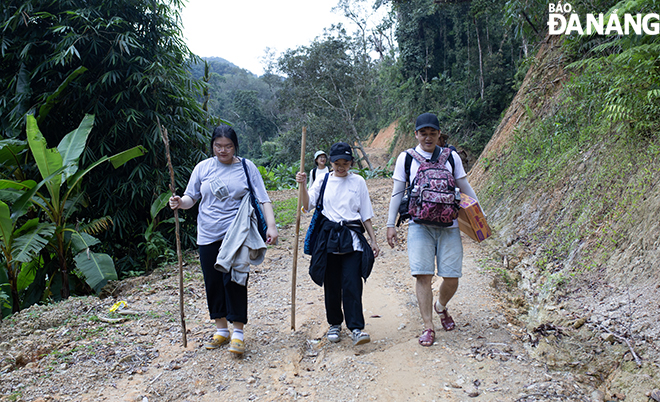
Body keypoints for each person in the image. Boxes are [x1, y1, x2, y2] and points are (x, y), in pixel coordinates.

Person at [169, 124, 278, 355]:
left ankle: (238, 332)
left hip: (236, 234)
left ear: (235, 146)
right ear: (212, 146)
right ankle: (221, 330)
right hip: (208, 234)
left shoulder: (247, 168)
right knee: (213, 281)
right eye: (218, 146)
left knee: (236, 278)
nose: (222, 150)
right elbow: (192, 197)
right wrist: (180, 202)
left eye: (228, 146)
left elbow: (263, 198)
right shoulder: (203, 168)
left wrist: (271, 226)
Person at [385, 113, 480, 347]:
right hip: (419, 225)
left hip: (450, 225)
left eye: (432, 132)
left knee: (452, 276)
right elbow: (398, 192)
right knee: (423, 275)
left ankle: (441, 306)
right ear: (416, 134)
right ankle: (428, 326)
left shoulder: (452, 157)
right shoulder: (406, 158)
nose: (428, 137)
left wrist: (480, 216)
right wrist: (390, 224)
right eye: (423, 133)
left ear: (439, 134)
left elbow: (464, 187)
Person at [295, 142, 380, 346]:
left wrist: (373, 240)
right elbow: (307, 205)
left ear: (351, 162)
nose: (341, 167)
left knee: (352, 283)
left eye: (346, 163)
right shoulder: (323, 180)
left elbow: (365, 214)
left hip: (351, 238)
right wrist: (303, 185)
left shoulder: (358, 181)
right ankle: (334, 324)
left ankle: (356, 328)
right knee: (331, 284)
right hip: (328, 239)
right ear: (330, 162)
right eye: (337, 163)